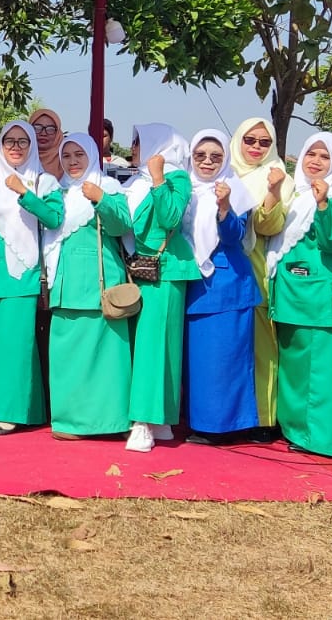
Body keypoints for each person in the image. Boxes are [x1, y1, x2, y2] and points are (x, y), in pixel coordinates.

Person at [264, 132, 332, 458]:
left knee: (322, 375)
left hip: (320, 300)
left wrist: (324, 204)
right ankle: (296, 431)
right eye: (311, 154)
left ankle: (322, 440)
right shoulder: (295, 194)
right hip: (290, 294)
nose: (315, 161)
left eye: (324, 156)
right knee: (295, 369)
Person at [40, 134, 134, 440]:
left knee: (108, 359)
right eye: (67, 156)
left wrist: (101, 199)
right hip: (66, 285)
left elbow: (121, 226)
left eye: (79, 154)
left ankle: (111, 423)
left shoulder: (109, 187)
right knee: (66, 356)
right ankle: (70, 422)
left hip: (100, 284)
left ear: (92, 155)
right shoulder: (59, 193)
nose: (73, 161)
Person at [0, 120, 63, 435]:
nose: (15, 147)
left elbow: (54, 218)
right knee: (0, 345)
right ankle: (16, 409)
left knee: (18, 344)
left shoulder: (45, 181)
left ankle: (11, 412)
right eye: (9, 141)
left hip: (27, 273)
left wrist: (25, 193)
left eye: (22, 141)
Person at [180, 129, 262, 444]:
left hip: (227, 285)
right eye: (200, 155)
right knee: (200, 363)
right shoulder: (185, 188)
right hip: (195, 283)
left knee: (226, 360)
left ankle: (227, 427)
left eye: (215, 156)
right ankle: (202, 423)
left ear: (225, 159)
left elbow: (234, 236)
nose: (207, 162)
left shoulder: (236, 190)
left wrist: (224, 207)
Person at [123, 123, 198, 453]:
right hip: (142, 270)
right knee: (153, 347)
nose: (134, 149)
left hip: (165, 270)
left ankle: (144, 421)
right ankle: (160, 418)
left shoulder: (177, 177)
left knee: (157, 348)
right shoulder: (133, 181)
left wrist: (158, 177)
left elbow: (170, 218)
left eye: (140, 143)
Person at [228, 117, 289, 440]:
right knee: (229, 344)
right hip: (221, 267)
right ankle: (230, 414)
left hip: (257, 264)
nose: (256, 147)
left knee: (262, 342)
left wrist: (273, 191)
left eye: (264, 142)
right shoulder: (224, 170)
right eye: (250, 140)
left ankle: (264, 417)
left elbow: (269, 227)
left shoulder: (276, 175)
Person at [29, 108, 64, 180]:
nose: (43, 133)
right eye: (37, 128)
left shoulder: (67, 159)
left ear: (57, 133)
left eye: (50, 129)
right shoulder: (18, 157)